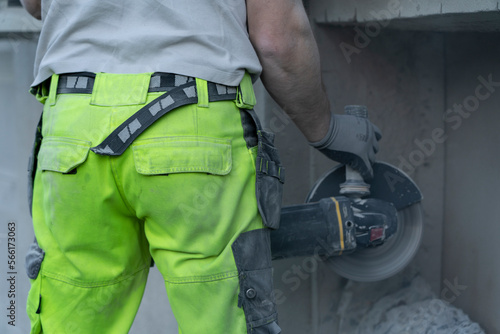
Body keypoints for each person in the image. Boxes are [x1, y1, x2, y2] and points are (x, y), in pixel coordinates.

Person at [20, 0, 381, 333]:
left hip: (73, 134)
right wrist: (327, 130)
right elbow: (276, 40)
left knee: (69, 321)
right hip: (192, 125)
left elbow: (36, 5)